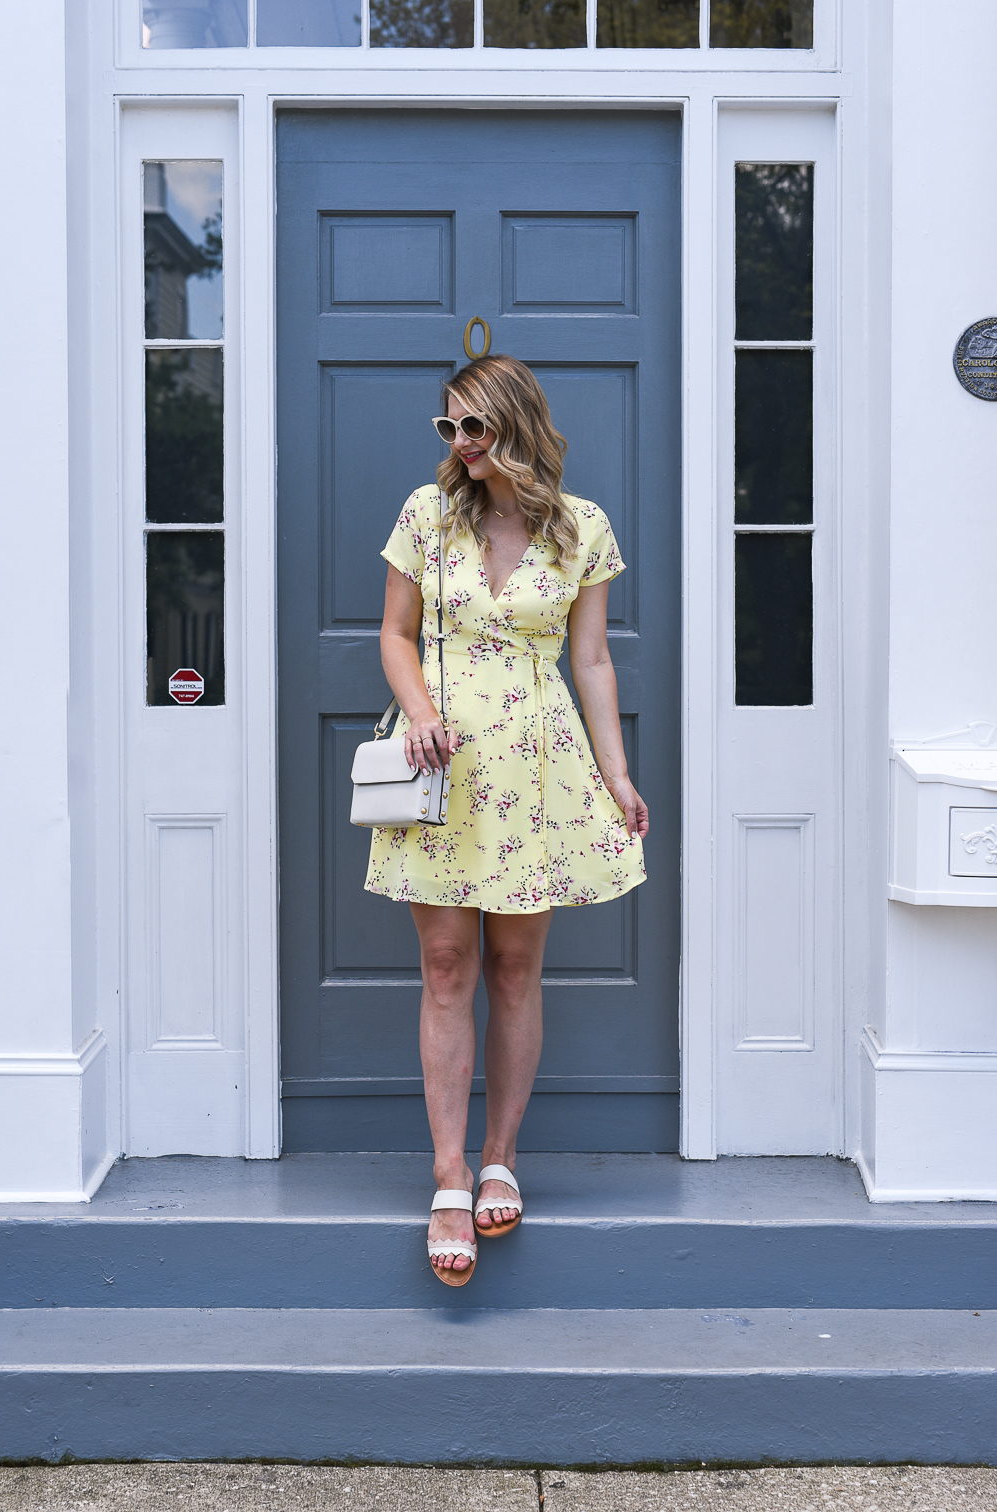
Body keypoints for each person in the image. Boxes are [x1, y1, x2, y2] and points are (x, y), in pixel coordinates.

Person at [366, 353, 648, 1286]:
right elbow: (395, 633)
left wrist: (616, 774)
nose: (457, 445)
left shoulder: (581, 530)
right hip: (439, 762)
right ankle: (448, 1172)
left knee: (516, 967)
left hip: (537, 763)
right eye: (446, 428)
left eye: (472, 428)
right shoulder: (427, 513)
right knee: (447, 965)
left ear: (514, 422)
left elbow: (594, 661)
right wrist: (418, 711)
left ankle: (500, 1157)